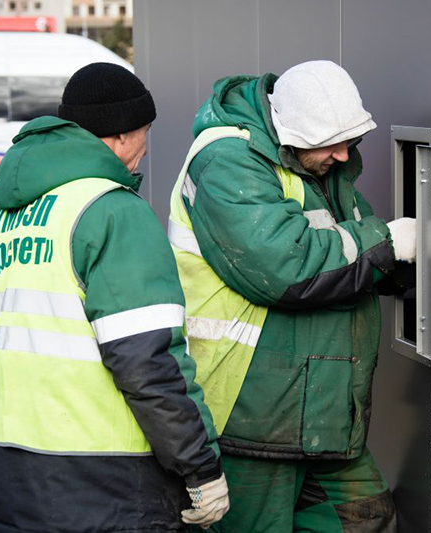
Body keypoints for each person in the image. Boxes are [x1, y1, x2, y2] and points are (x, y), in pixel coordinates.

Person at [0, 62, 229, 532]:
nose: (145, 149)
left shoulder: (3, 221)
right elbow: (147, 360)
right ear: (122, 136)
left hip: (6, 472)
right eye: (146, 132)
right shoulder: (111, 211)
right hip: (102, 482)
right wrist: (200, 466)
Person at [168, 59, 415, 532]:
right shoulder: (226, 162)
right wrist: (388, 242)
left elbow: (349, 254)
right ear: (291, 133)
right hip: (250, 414)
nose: (345, 155)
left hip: (317, 414)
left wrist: (402, 268)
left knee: (367, 519)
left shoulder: (317, 163)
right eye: (333, 143)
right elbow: (286, 268)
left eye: (351, 140)